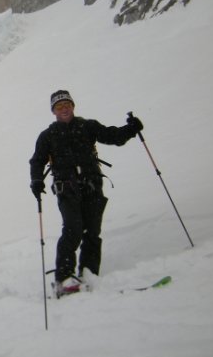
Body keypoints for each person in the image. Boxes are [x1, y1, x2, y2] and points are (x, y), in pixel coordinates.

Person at [29, 90, 143, 295]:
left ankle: (89, 272)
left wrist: (130, 129)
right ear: (53, 111)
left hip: (92, 185)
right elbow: (37, 160)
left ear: (73, 106)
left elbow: (112, 136)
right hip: (66, 188)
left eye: (66, 105)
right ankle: (64, 278)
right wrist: (36, 181)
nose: (63, 109)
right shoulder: (48, 135)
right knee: (72, 228)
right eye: (58, 106)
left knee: (92, 230)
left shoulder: (88, 126)